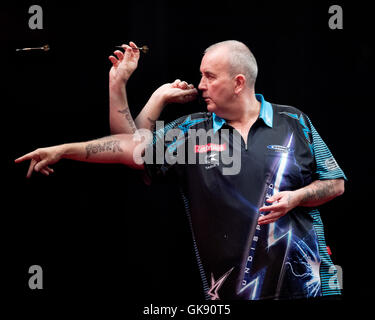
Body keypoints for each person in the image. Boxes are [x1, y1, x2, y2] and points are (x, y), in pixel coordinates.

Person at [15, 40, 346, 300]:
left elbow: (335, 183)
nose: (200, 84)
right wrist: (66, 147)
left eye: (209, 76)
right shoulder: (193, 132)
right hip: (229, 295)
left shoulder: (295, 120)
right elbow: (131, 149)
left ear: (238, 83)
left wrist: (297, 197)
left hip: (312, 287)